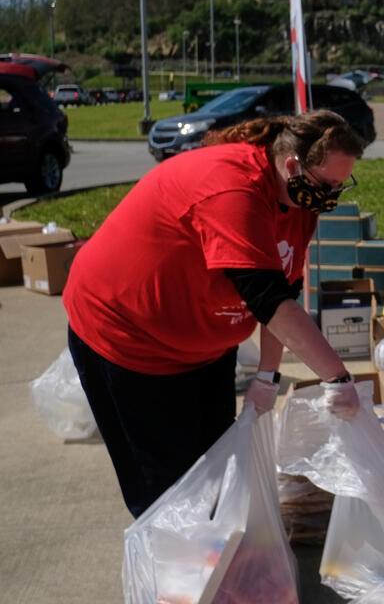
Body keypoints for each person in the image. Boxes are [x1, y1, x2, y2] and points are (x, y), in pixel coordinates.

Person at [64, 109, 365, 518]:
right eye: (326, 184)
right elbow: (267, 299)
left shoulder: (298, 198)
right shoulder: (232, 191)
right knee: (166, 490)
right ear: (293, 164)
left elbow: (286, 290)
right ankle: (174, 578)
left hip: (200, 345)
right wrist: (337, 378)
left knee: (216, 469)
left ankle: (216, 567)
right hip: (127, 338)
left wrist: (266, 375)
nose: (329, 196)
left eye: (338, 186)